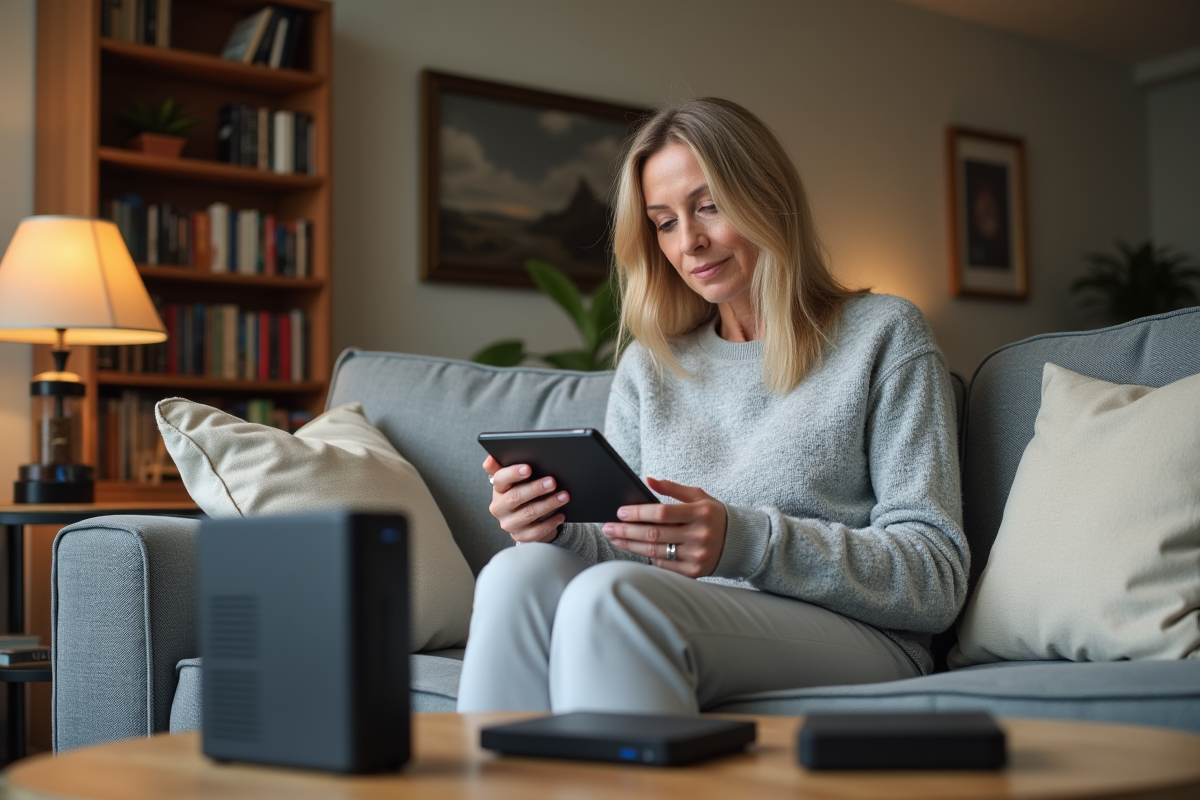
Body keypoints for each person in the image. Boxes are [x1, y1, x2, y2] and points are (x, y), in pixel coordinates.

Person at [457, 97, 968, 715]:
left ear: (765, 198)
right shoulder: (653, 364)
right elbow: (625, 548)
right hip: (681, 612)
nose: (690, 242)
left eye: (708, 206)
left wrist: (745, 540)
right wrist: (554, 529)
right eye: (664, 221)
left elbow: (936, 578)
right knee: (516, 575)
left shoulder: (882, 335)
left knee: (616, 599)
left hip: (858, 634)